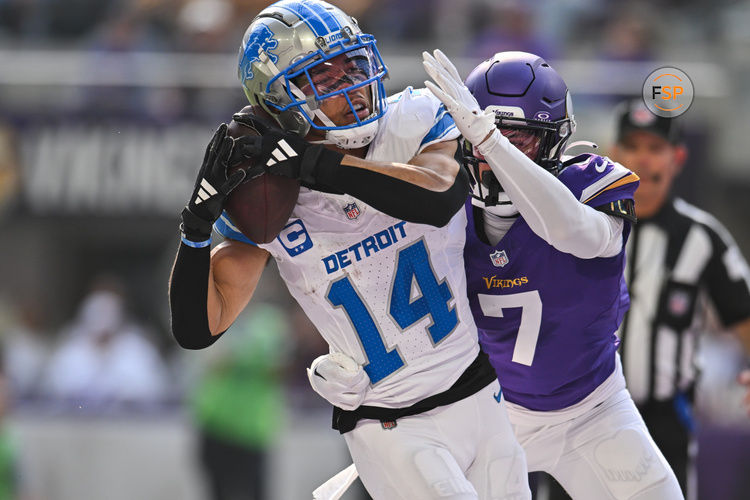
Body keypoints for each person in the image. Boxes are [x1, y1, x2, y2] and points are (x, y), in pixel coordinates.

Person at [168, 1, 530, 499]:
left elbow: (439, 197)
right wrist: (195, 229)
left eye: (353, 65)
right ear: (279, 98)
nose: (352, 86)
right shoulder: (268, 199)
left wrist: (316, 164)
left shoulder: (414, 118)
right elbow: (196, 328)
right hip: (388, 423)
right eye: (322, 74)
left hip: (483, 390)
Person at [418, 51, 684, 500]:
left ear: (552, 143)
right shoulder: (445, 209)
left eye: (516, 141)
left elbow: (570, 230)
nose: (492, 155)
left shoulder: (591, 185)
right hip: (492, 418)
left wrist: (490, 137)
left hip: (595, 411)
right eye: (482, 137)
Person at [608, 98, 750, 499]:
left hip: (664, 417)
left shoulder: (702, 238)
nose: (643, 160)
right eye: (632, 147)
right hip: (579, 410)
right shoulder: (580, 223)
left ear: (677, 158)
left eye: (655, 149)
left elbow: (743, 311)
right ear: (614, 153)